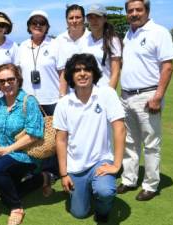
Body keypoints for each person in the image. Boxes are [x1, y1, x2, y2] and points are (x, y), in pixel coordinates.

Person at [54, 53, 125, 222]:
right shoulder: (64, 103)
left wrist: (116, 164)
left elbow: (120, 129)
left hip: (100, 161)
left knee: (105, 192)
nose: (82, 73)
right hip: (75, 166)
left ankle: (102, 208)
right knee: (79, 213)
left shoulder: (107, 93)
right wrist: (64, 174)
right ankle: (84, 191)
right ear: (71, 75)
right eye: (77, 70)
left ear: (94, 73)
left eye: (87, 69)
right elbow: (61, 140)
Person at [117, 0, 173, 201]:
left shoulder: (159, 32)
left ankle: (150, 185)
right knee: (129, 141)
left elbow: (167, 67)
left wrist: (157, 97)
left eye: (138, 10)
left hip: (148, 96)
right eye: (130, 10)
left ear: (147, 11)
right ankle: (128, 179)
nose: (134, 13)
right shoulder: (128, 34)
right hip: (126, 96)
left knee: (151, 143)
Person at [0, 63, 53, 225]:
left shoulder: (28, 101)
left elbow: (34, 134)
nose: (7, 84)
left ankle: (16, 208)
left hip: (26, 155)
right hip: (4, 155)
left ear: (18, 80)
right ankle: (42, 179)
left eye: (11, 79)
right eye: (2, 81)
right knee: (4, 195)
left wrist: (7, 149)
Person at [16, 10, 61, 116]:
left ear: (47, 27)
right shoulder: (22, 46)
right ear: (29, 26)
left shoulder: (55, 44)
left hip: (52, 99)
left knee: (53, 131)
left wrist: (62, 96)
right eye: (34, 23)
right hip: (28, 100)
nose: (38, 25)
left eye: (42, 23)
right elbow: (18, 72)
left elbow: (62, 72)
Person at [84, 4, 122, 88]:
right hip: (86, 91)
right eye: (91, 17)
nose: (94, 20)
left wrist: (109, 94)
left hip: (104, 90)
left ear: (105, 18)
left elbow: (115, 72)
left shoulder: (113, 40)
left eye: (97, 16)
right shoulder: (84, 40)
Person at [56, 4, 90, 96]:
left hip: (91, 93)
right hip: (68, 95)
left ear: (84, 19)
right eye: (71, 18)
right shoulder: (59, 40)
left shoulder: (92, 38)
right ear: (66, 20)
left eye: (78, 17)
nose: (74, 21)